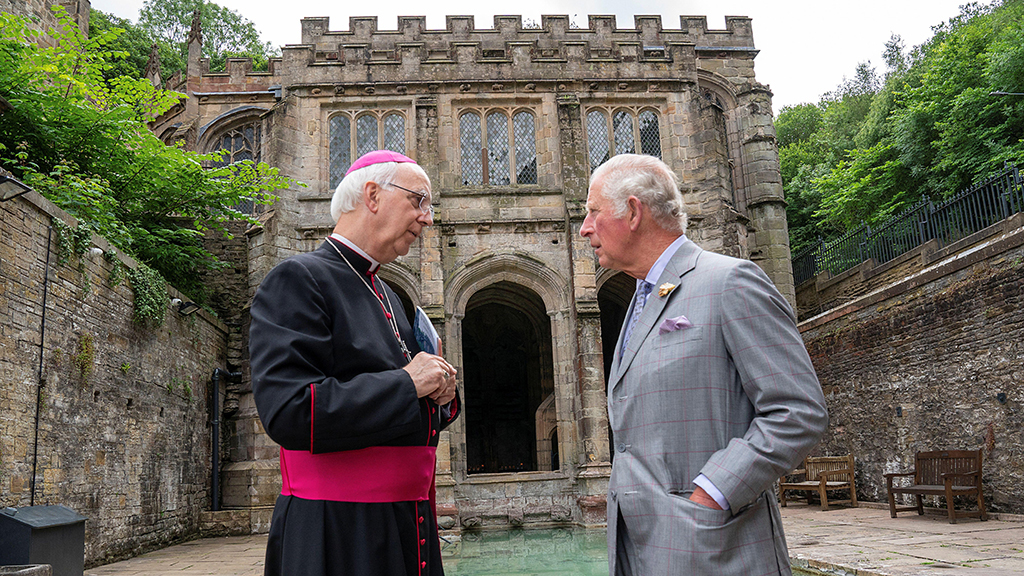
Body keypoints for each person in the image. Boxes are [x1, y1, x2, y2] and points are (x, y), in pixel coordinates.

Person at [580, 154, 828, 575]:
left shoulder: (730, 281)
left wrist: (714, 491)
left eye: (593, 212)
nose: (585, 227)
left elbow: (797, 411)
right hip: (644, 550)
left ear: (634, 212)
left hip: (715, 548)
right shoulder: (641, 300)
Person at [249, 150, 460, 576]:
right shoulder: (298, 279)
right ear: (373, 195)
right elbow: (291, 411)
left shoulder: (390, 295)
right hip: (339, 532)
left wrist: (441, 393)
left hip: (406, 523)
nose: (428, 218)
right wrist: (408, 384)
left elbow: (402, 410)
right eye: (419, 201)